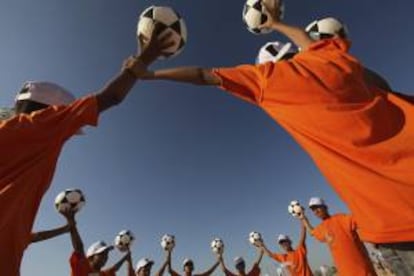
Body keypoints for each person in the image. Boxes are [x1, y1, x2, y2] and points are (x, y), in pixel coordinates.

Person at [131, 0, 414, 268]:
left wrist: (151, 75)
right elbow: (380, 82)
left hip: (396, 214)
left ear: (267, 65)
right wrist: (277, 22)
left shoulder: (269, 81)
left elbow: (204, 74)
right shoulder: (332, 59)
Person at [0, 23, 174, 275]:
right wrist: (147, 56)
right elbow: (111, 97)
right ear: (49, 109)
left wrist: (68, 226)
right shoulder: (39, 127)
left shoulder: (10, 133)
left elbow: (27, 236)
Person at [300, 197, 377, 276]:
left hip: (364, 271)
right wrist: (303, 218)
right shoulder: (322, 228)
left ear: (325, 207)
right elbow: (312, 232)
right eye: (313, 210)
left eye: (318, 207)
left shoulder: (342, 218)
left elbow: (363, 220)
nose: (316, 211)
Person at [64, 211, 131, 276]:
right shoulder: (82, 269)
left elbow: (115, 268)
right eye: (101, 254)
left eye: (106, 254)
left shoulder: (103, 274)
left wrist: (126, 257)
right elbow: (79, 247)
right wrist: (72, 226)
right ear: (91, 256)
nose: (106, 257)